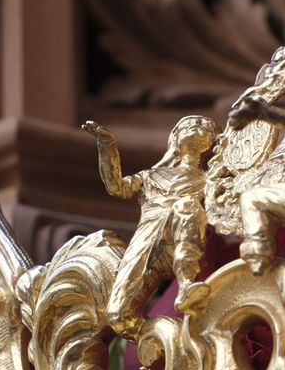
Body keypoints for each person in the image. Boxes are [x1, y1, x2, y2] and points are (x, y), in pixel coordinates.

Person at [82, 115, 217, 338]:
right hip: (147, 239)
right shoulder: (151, 176)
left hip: (181, 237)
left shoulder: (210, 180)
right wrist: (107, 145)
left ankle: (186, 287)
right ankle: (160, 345)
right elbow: (117, 187)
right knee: (118, 316)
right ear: (175, 138)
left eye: (205, 126)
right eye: (189, 124)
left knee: (187, 206)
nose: (197, 127)